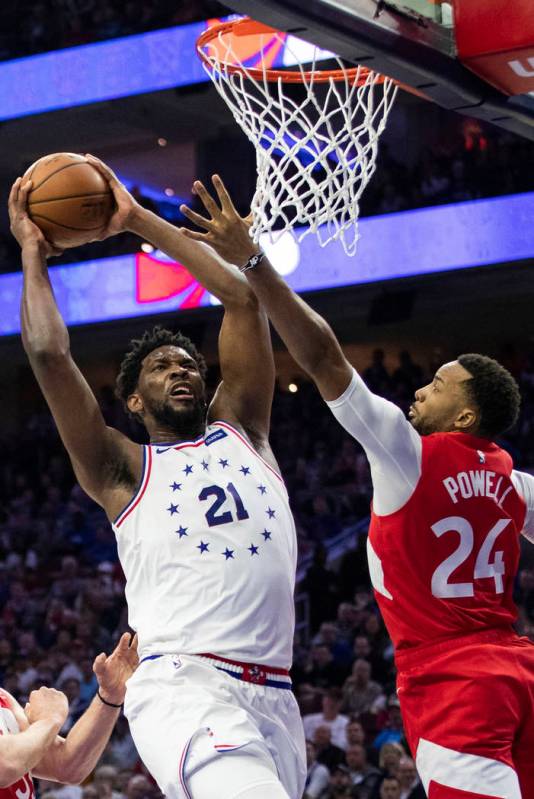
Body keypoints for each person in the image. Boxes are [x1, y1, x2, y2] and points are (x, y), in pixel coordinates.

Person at [179, 175, 534, 797]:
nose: (422, 387)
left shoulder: (408, 455)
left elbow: (323, 358)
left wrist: (254, 262)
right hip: (518, 669)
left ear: (465, 415)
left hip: (451, 679)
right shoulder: (514, 480)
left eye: (440, 383)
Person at [8, 162, 305, 799]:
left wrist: (135, 219)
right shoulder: (122, 468)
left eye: (190, 364)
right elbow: (48, 355)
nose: (182, 371)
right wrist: (33, 252)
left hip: (277, 691)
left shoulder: (245, 429)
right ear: (135, 402)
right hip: (185, 684)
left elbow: (243, 298)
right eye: (161, 368)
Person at [0, 632, 137, 796]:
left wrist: (110, 696)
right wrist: (49, 720)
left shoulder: (4, 698)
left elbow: (67, 767)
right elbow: (4, 766)